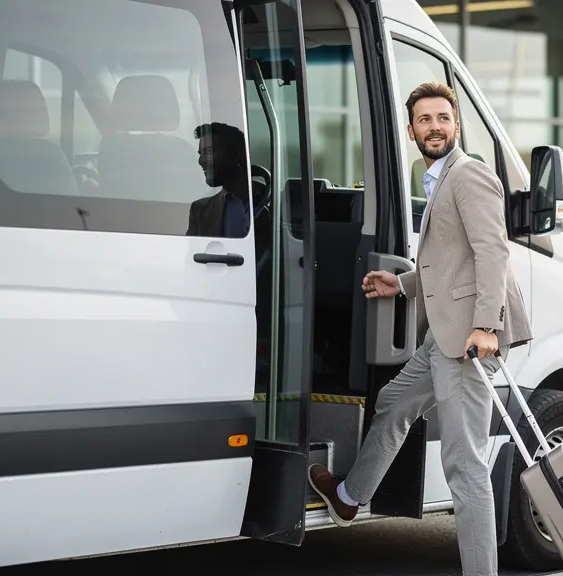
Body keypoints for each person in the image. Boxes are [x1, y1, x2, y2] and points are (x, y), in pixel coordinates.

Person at [307, 82, 532, 576]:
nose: (435, 127)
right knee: (393, 402)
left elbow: (492, 253)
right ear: (411, 130)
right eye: (425, 120)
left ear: (456, 125)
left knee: (465, 466)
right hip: (444, 337)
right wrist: (403, 283)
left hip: (469, 340)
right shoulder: (439, 177)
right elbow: (451, 261)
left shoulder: (470, 175)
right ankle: (349, 497)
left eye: (443, 118)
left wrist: (486, 327)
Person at [186, 122, 252, 238]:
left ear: (237, 154)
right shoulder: (199, 211)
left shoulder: (275, 202)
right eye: (201, 154)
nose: (201, 161)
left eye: (209, 152)